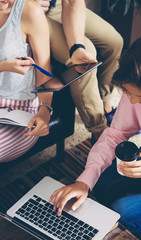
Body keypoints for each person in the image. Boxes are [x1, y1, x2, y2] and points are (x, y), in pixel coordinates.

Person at [49, 35, 141, 240]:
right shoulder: (136, 88)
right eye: (128, 92)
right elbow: (115, 134)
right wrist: (84, 182)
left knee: (123, 211)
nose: (132, 101)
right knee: (101, 183)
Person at [35, 0, 123, 142]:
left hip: (55, 4)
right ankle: (99, 132)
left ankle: (105, 104)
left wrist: (76, 47)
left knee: (114, 41)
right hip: (26, 11)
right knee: (86, 58)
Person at [0, 0, 55, 162]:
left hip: (19, 110)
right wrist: (3, 66)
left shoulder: (30, 12)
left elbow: (44, 72)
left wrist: (45, 112)